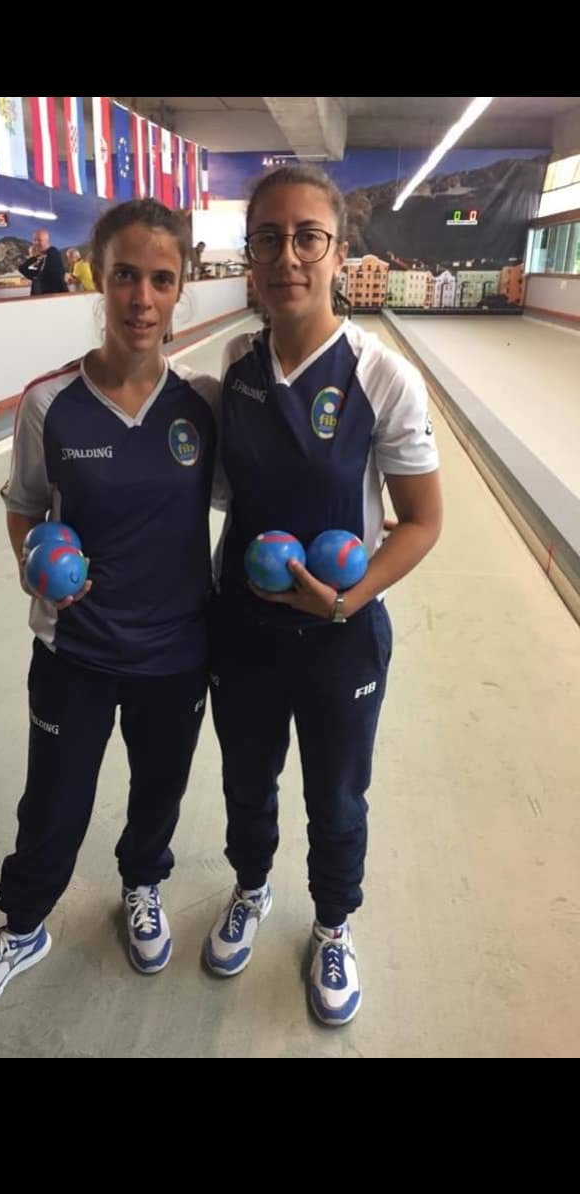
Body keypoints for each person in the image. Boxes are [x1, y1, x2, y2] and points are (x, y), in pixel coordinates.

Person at [0, 199, 219, 1016]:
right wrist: (33, 564)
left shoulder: (203, 404)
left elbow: (258, 495)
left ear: (180, 289)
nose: (142, 298)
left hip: (176, 651)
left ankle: (142, 885)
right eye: (126, 275)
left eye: (161, 280)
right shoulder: (48, 403)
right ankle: (24, 924)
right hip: (77, 651)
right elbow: (25, 508)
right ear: (99, 278)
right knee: (54, 802)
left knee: (159, 790)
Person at [204, 165, 442, 1026]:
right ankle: (251, 887)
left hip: (341, 634)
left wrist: (347, 599)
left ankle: (333, 924)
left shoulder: (383, 376)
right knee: (246, 778)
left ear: (341, 252)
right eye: (268, 239)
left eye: (309, 237)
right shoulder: (234, 365)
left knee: (337, 796)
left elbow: (421, 522)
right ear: (250, 256)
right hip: (243, 629)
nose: (288, 257)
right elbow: (218, 489)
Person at [19, 228, 68, 295]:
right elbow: (22, 269)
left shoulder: (53, 252)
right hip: (40, 299)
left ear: (48, 242)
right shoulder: (41, 260)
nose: (36, 243)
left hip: (54, 298)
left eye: (39, 240)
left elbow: (51, 273)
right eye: (34, 240)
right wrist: (34, 257)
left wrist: (37, 256)